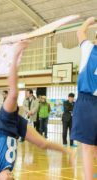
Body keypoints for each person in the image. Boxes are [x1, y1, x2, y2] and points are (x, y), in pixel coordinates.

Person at [0, 40, 74, 180]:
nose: (10, 176)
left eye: (7, 179)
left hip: (3, 126)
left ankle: (15, 55)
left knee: (13, 93)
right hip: (15, 130)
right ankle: (68, 151)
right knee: (43, 143)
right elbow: (8, 175)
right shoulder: (8, 170)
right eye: (12, 178)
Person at [71, 17, 97, 180]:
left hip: (87, 102)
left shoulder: (89, 48)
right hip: (89, 101)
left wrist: (89, 21)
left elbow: (79, 32)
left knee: (87, 148)